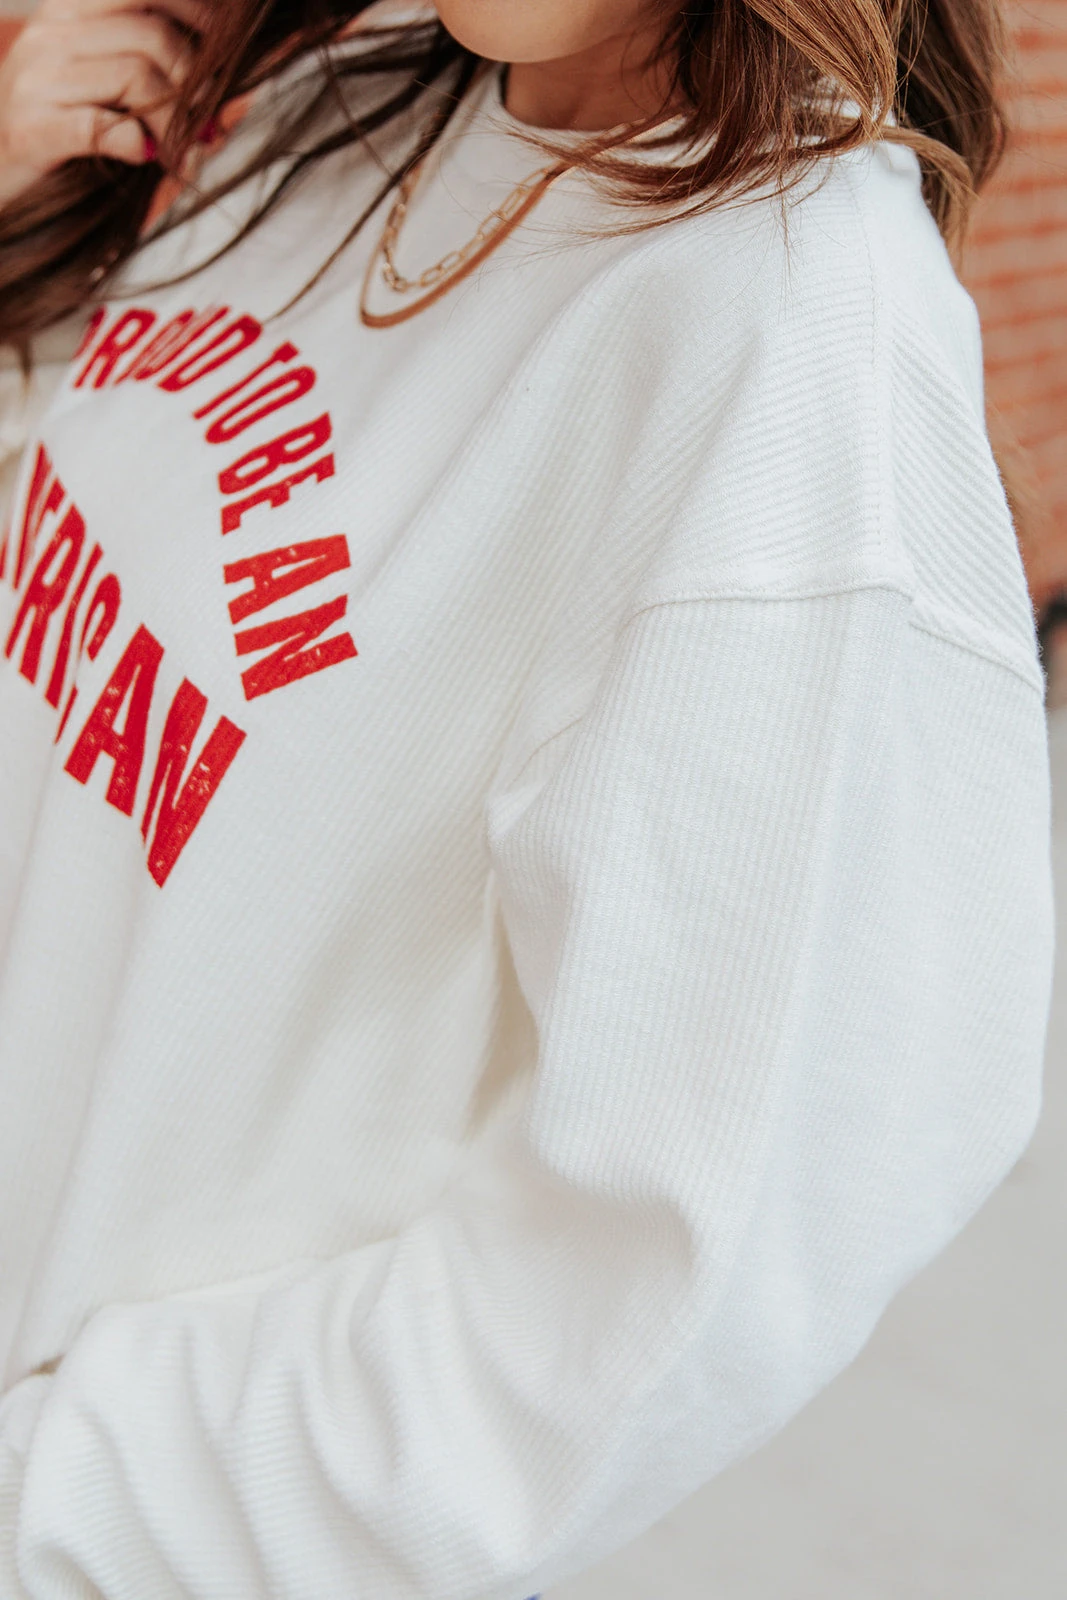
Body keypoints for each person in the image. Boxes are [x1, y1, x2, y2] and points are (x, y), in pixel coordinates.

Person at [0, 1, 1054, 1597]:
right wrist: (25, 220)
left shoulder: (792, 353)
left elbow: (645, 1289)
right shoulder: (350, 88)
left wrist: (63, 1510)